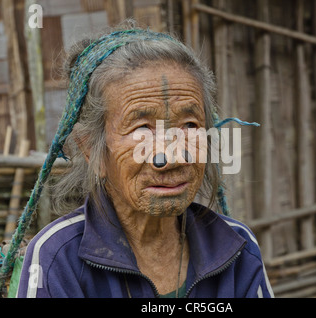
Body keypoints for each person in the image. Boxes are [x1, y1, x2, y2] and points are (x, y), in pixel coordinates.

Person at [16, 22, 273, 298]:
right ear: (92, 150)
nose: (173, 157)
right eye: (142, 130)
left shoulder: (238, 248)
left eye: (189, 125)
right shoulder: (58, 258)